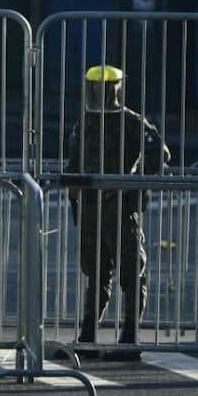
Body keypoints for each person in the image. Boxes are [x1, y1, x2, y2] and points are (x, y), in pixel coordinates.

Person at [64, 64, 170, 362]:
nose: (100, 93)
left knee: (130, 271)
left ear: (116, 89)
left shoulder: (131, 122)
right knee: (95, 272)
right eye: (95, 88)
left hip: (120, 211)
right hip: (90, 208)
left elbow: (158, 154)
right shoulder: (85, 122)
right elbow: (75, 157)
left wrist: (129, 184)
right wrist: (72, 184)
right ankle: (87, 336)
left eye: (106, 88)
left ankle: (130, 338)